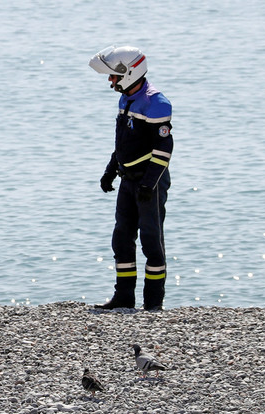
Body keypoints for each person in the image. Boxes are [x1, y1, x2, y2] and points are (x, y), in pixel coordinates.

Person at [88, 45, 173, 311]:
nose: (110, 80)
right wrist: (111, 168)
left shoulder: (156, 103)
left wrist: (149, 184)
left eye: (113, 75)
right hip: (128, 179)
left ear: (129, 72)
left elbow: (164, 149)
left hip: (149, 181)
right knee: (122, 238)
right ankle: (124, 296)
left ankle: (153, 302)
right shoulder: (126, 99)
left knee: (151, 241)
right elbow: (123, 141)